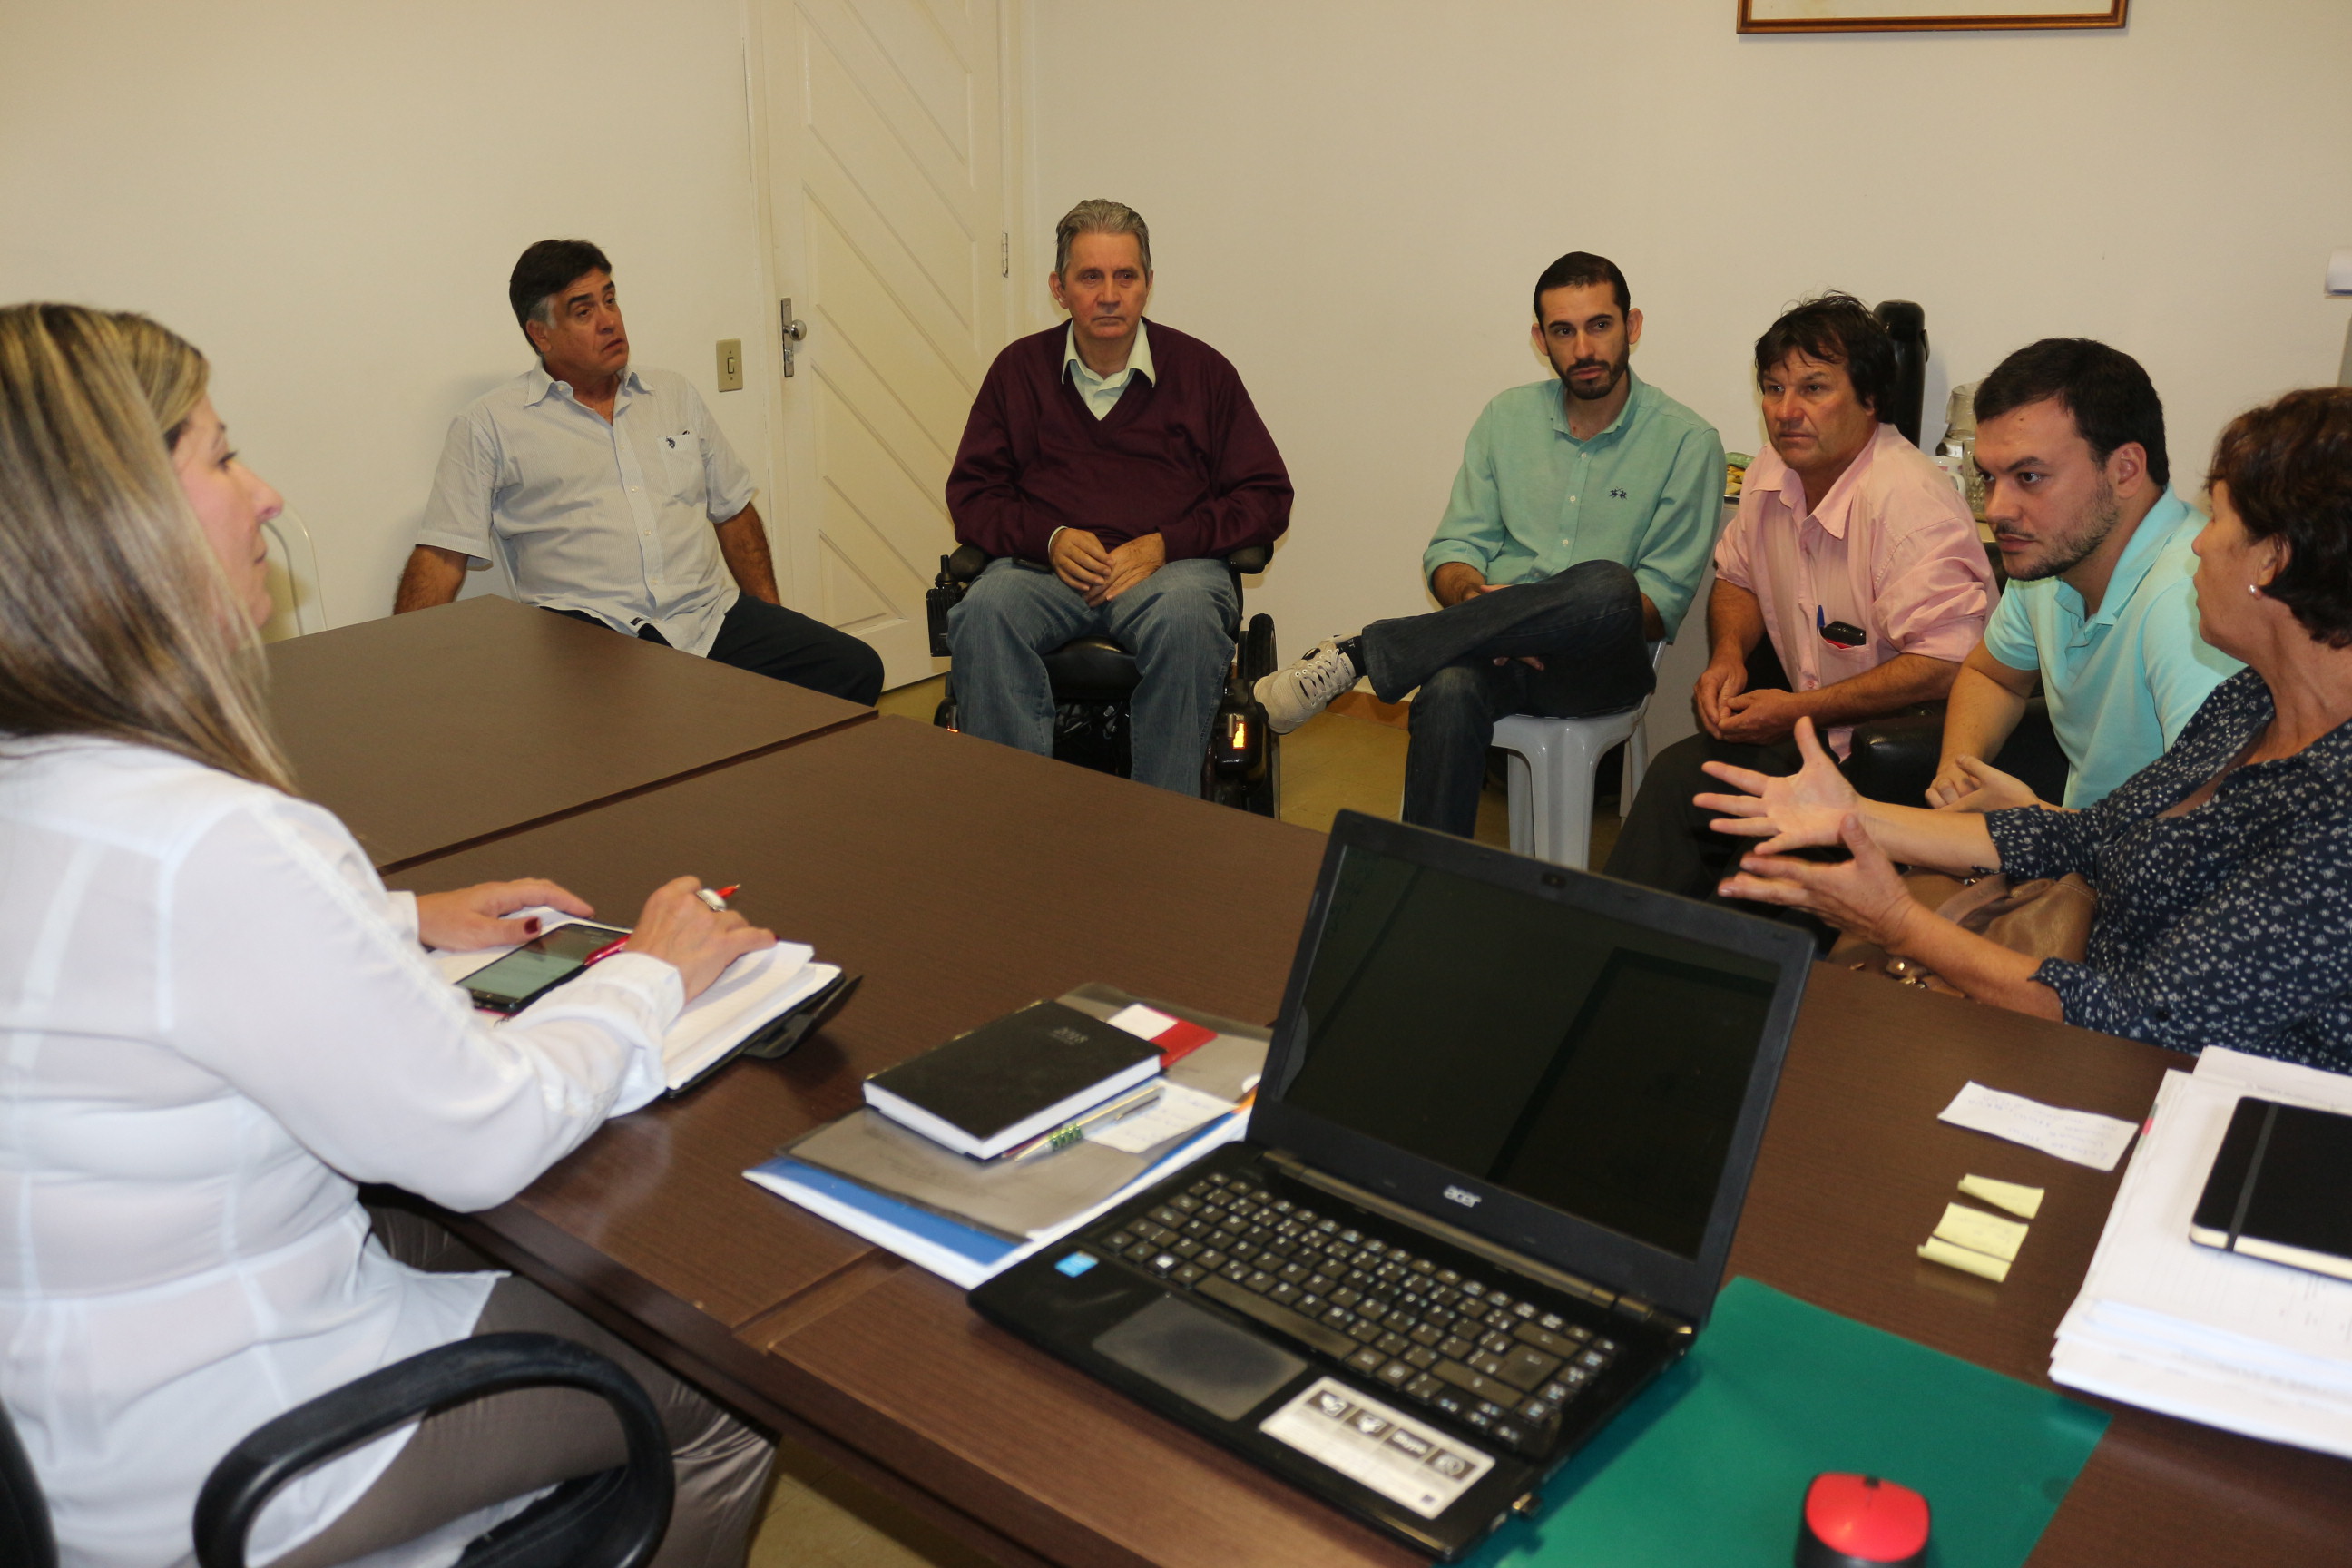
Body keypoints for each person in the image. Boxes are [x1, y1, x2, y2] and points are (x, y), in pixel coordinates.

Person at [0, 306, 777, 1566]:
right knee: (726, 1388)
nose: (267, 495)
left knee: (426, 1219)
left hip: (60, 1438)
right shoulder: (222, 842)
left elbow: (120, 957)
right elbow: (482, 1137)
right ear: (116, 526)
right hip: (238, 1462)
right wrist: (647, 972)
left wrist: (398, 918)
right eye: (220, 456)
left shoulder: (44, 781)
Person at [1701, 387, 2352, 1070]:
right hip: (2095, 1042)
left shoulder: (2335, 814)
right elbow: (2091, 834)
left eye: (2217, 518)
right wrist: (1855, 818)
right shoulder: (2251, 705)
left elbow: (2146, 1019)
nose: (2196, 540)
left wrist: (1897, 920)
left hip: (2205, 1115)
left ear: (2273, 559)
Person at [1251, 251, 1723, 837]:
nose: (1583, 349)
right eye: (1563, 331)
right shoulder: (1505, 417)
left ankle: (1364, 653)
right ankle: (1426, 890)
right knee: (1446, 693)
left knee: (1610, 583)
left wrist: (1519, 623)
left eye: (1600, 325)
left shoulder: (1687, 441)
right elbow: (1452, 549)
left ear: (1633, 326)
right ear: (1539, 339)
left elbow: (1655, 607)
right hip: (1490, 655)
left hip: (1601, 665)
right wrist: (1480, 604)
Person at [1603, 293, 1994, 902]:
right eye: (1773, 388)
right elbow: (1738, 576)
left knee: (1750, 879)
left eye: (1814, 389)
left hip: (1896, 762)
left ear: (1870, 399)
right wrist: (1728, 655)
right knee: (1675, 780)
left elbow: (1948, 666)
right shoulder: (1768, 473)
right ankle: (1615, 954)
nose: (1787, 411)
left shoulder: (1909, 503)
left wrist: (1795, 711)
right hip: (1810, 739)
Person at [395, 238, 883, 706]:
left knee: (854, 666)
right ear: (540, 333)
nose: (609, 321)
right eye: (584, 311)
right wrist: (403, 672)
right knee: (651, 723)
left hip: (706, 616)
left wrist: (773, 618)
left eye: (611, 300)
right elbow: (441, 555)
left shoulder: (673, 395)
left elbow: (733, 511)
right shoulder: (491, 424)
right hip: (590, 639)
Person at [944, 200, 1292, 794]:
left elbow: (1267, 496)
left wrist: (1167, 544)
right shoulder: (1017, 372)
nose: (1110, 294)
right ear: (1060, 288)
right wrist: (1048, 539)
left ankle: (1159, 822)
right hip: (1043, 571)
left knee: (1187, 619)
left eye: (1125, 277)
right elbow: (973, 495)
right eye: (1090, 277)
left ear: (1148, 285)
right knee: (982, 612)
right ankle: (1011, 816)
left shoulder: (1204, 374)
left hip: (1170, 572)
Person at [1927, 339, 2239, 812]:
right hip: (2087, 854)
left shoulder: (2192, 602)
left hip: (2148, 872)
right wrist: (1958, 771)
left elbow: (2212, 828)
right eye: (1989, 477)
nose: (1996, 510)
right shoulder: (2048, 562)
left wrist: (2038, 824)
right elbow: (1993, 677)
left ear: (2125, 470)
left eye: (2029, 477)